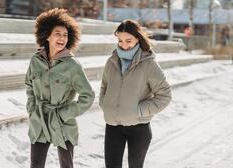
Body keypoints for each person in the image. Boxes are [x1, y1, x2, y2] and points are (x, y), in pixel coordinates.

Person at [25, 8, 95, 168]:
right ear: (47, 35)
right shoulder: (35, 60)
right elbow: (29, 84)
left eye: (65, 35)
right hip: (40, 119)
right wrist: (32, 107)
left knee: (66, 165)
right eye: (57, 33)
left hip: (62, 122)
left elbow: (88, 96)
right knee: (35, 164)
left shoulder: (72, 65)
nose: (62, 38)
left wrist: (65, 114)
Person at [99, 19, 172, 168]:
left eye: (128, 40)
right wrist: (105, 104)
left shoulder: (149, 64)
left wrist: (139, 110)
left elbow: (165, 95)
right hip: (113, 126)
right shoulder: (111, 61)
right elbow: (104, 86)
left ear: (138, 38)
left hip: (139, 128)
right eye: (120, 40)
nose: (124, 45)